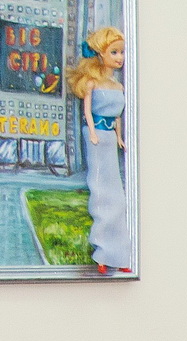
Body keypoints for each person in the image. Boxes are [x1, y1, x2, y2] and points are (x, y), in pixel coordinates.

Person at [67, 28, 132, 274]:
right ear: (100, 54)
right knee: (100, 190)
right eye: (114, 52)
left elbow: (117, 117)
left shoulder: (118, 86)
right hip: (96, 138)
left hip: (110, 138)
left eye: (121, 52)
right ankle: (102, 252)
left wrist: (119, 137)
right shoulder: (92, 83)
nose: (119, 57)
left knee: (116, 194)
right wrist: (93, 133)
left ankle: (119, 254)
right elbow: (87, 112)